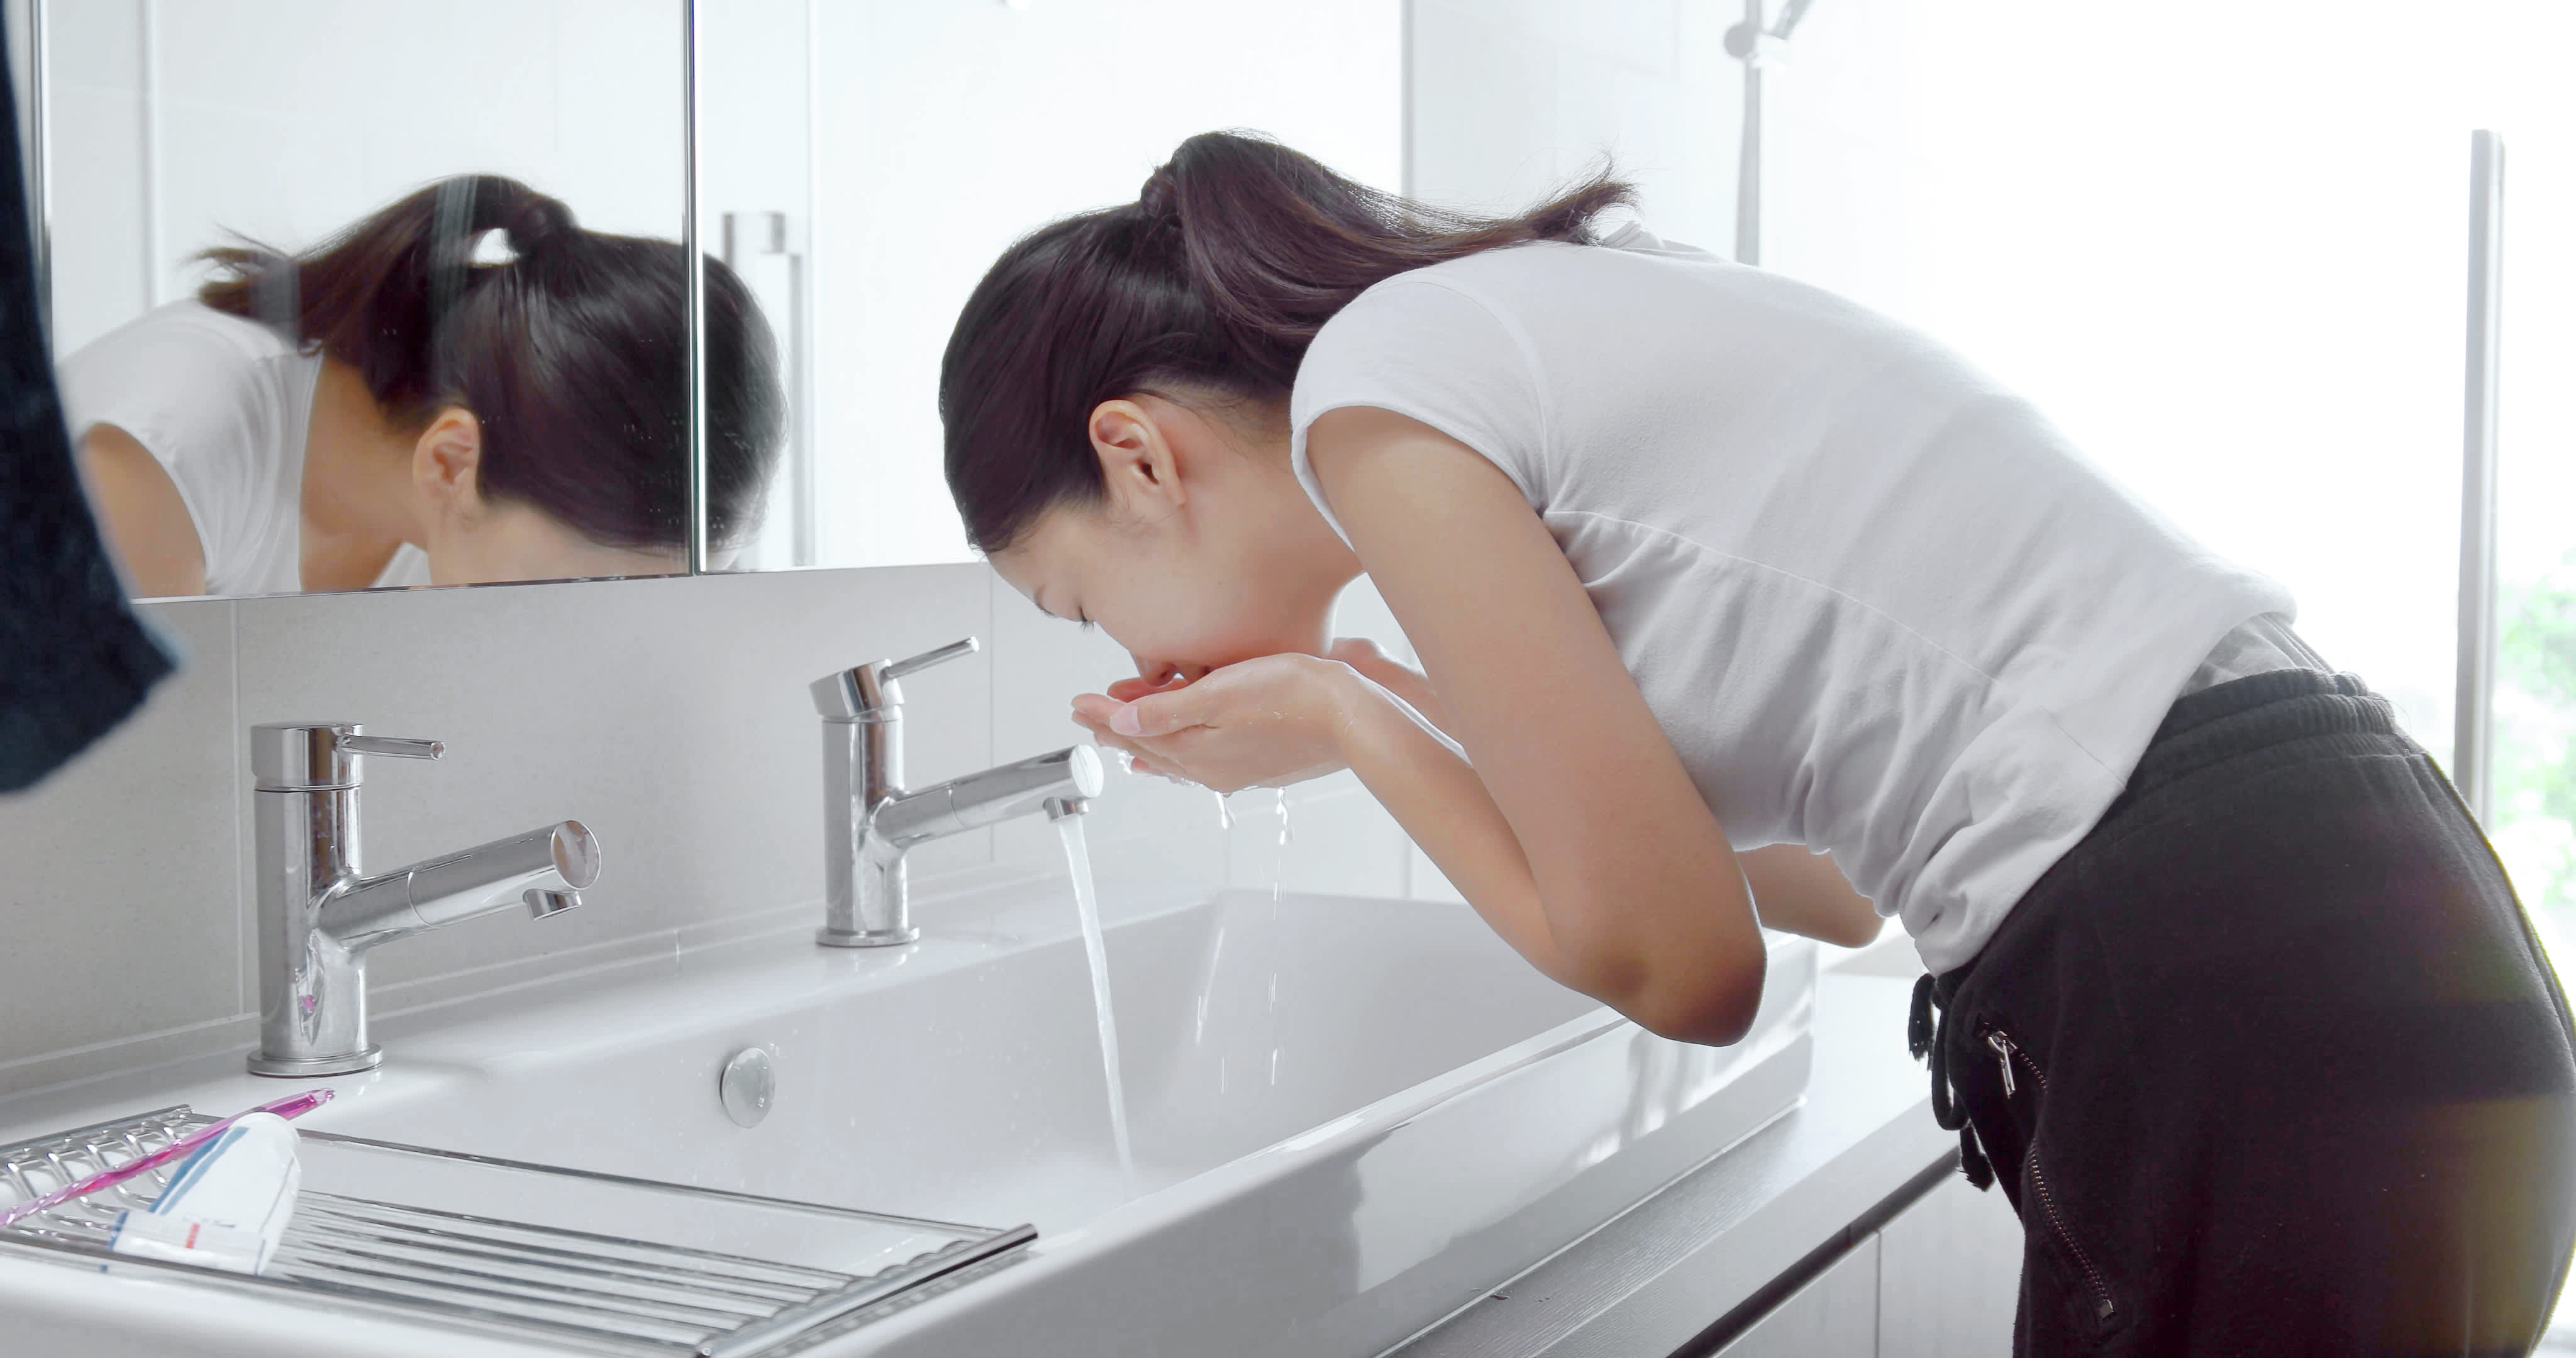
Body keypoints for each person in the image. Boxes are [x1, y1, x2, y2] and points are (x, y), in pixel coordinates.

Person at [938, 131, 2576, 1354]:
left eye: (1079, 604)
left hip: (2223, 998)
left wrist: (1347, 717)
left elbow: (1684, 970)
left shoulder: (1375, 402)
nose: (1135, 662)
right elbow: (1821, 889)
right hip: (2367, 928)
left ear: (1136, 457)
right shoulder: (1503, 330)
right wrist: (1395, 707)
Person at [60, 174, 779, 597]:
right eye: (590, 591)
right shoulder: (161, 449)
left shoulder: (471, 505)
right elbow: (125, 788)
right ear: (450, 464)